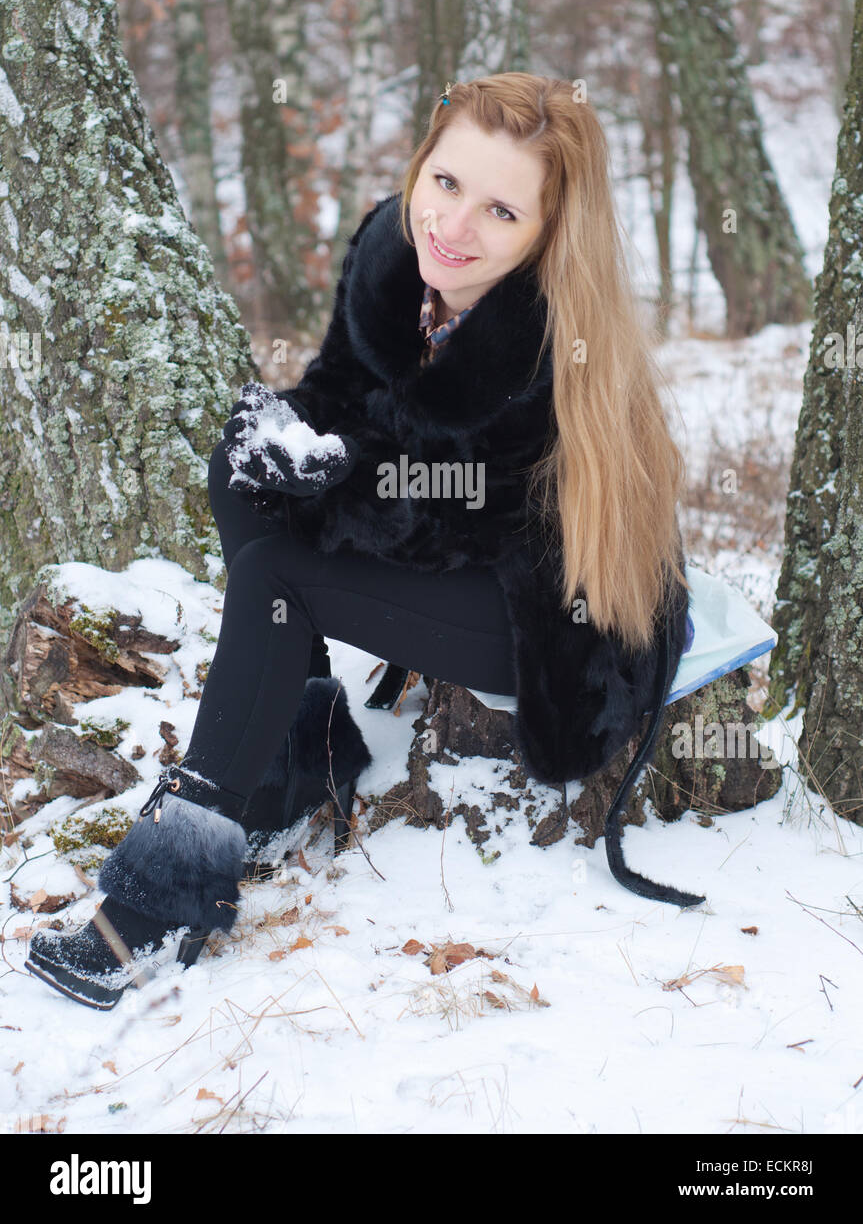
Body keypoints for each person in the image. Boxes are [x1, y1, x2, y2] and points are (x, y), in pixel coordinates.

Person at [25, 72, 692, 1011]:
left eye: (501, 210)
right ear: (420, 166)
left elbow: (454, 520)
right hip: (445, 546)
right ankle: (298, 747)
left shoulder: (546, 340)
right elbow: (342, 396)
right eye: (447, 183)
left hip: (554, 621)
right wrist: (293, 440)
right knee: (239, 462)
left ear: (548, 232)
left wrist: (327, 481)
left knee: (279, 573)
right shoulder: (395, 255)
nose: (454, 226)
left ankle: (169, 896)